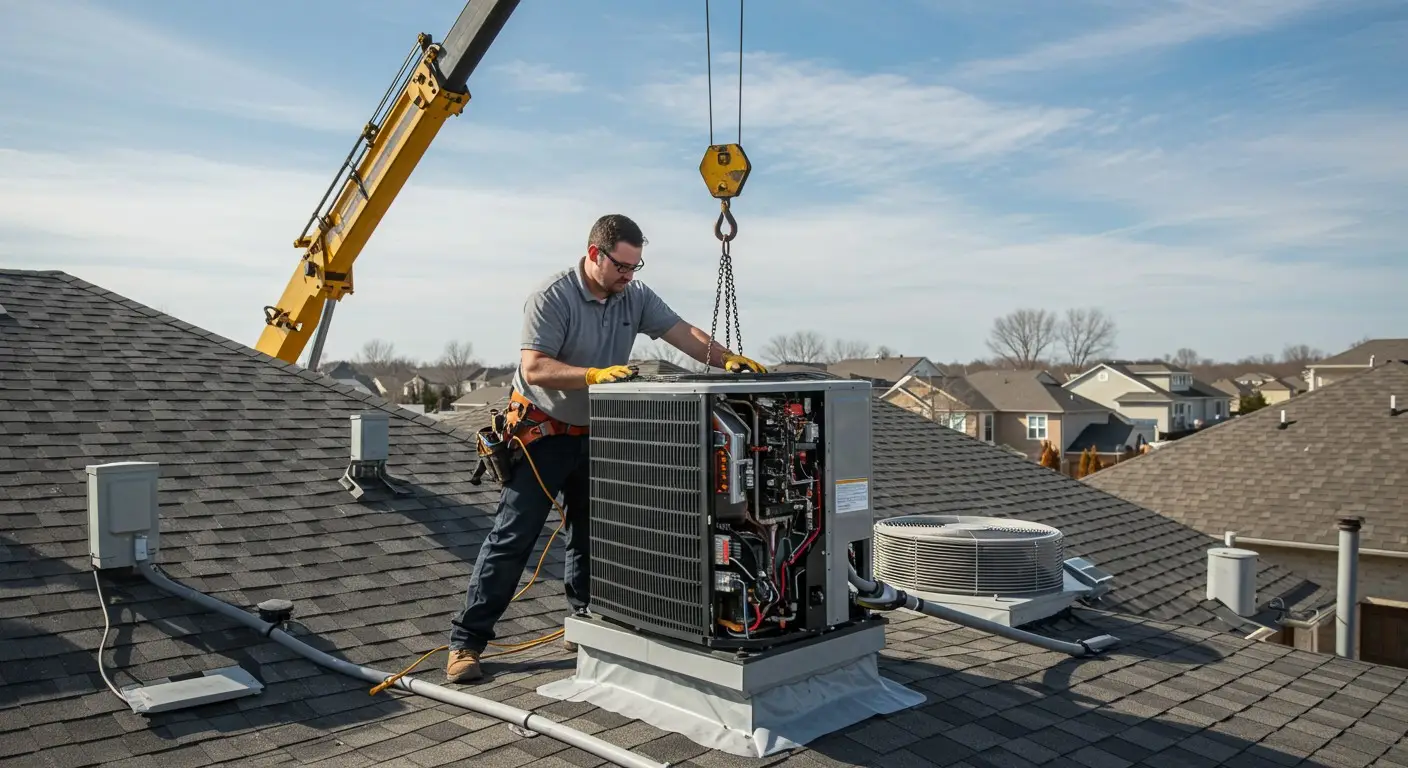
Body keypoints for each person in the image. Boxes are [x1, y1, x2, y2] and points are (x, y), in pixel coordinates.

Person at [446, 213, 765, 683]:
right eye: (622, 266)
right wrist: (591, 375)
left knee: (595, 536)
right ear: (595, 253)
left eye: (636, 267)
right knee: (514, 537)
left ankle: (586, 623)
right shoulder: (552, 296)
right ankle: (466, 643)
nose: (629, 276)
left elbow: (683, 333)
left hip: (596, 434)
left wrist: (726, 358)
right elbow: (534, 369)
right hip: (543, 433)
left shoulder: (632, 296)